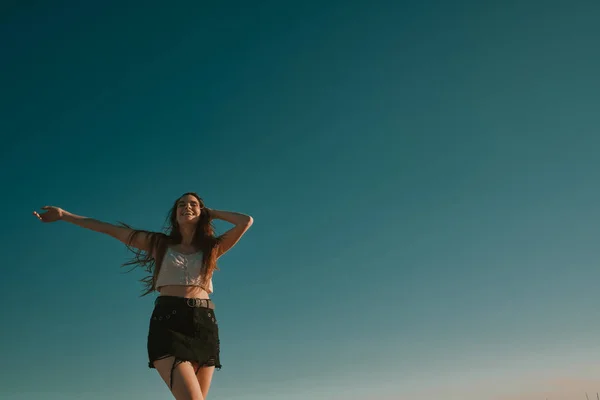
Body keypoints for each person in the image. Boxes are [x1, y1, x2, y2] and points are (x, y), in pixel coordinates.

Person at [33, 192, 253, 400]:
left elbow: (245, 221)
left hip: (205, 325)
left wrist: (211, 211)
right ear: (174, 214)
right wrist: (65, 215)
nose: (187, 207)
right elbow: (109, 229)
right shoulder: (158, 243)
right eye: (182, 205)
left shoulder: (211, 248)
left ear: (201, 211)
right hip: (169, 322)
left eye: (193, 204)